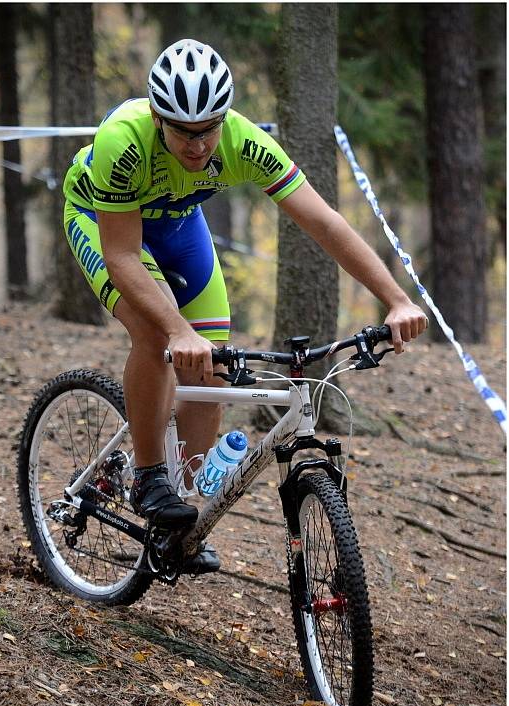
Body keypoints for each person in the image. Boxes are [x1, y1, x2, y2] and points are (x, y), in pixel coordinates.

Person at [63, 38, 428, 573]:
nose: (197, 144)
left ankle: (181, 512)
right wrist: (175, 329)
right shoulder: (123, 140)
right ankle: (147, 475)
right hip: (106, 225)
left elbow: (324, 222)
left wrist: (395, 299)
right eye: (184, 132)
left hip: (179, 227)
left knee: (212, 365)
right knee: (157, 334)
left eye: (208, 128)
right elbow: (120, 255)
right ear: (160, 119)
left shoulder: (243, 142)